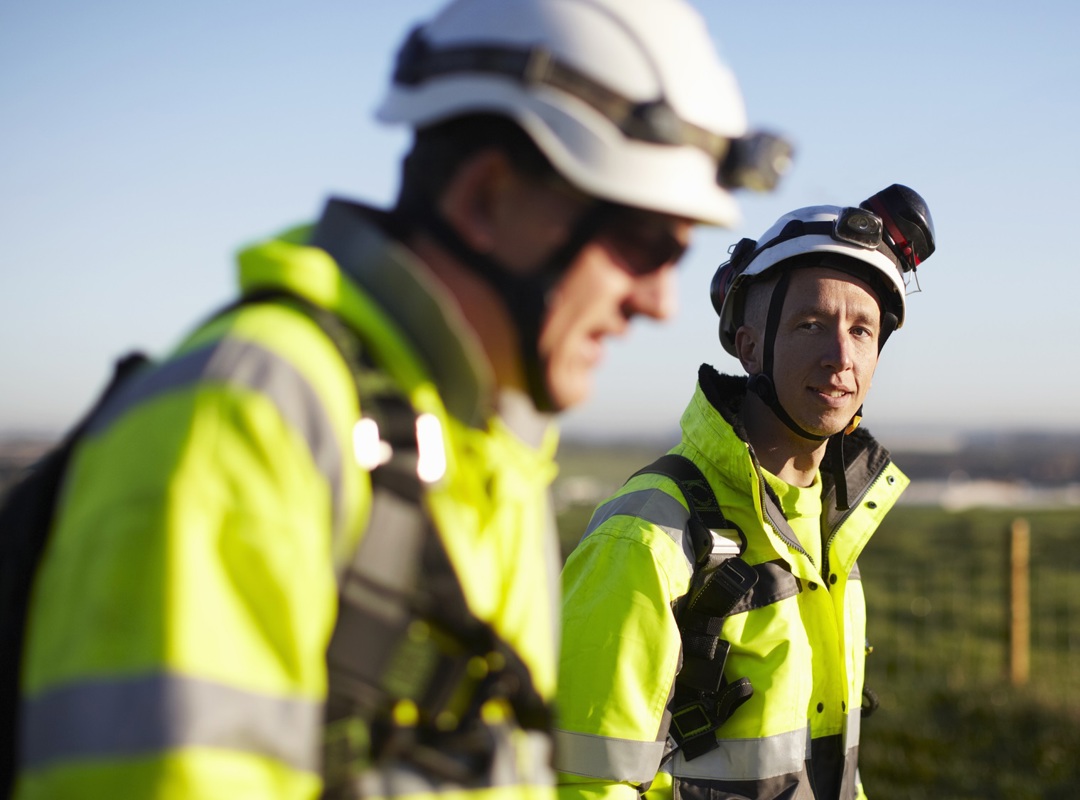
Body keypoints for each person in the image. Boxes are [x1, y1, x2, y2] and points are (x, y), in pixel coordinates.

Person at [10, 1, 791, 798]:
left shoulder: (486, 446)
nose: (661, 301)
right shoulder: (249, 416)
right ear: (487, 197)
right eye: (642, 244)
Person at [555, 185, 936, 800]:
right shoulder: (649, 535)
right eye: (811, 324)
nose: (841, 356)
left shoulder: (828, 529)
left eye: (863, 330)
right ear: (748, 344)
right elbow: (583, 781)